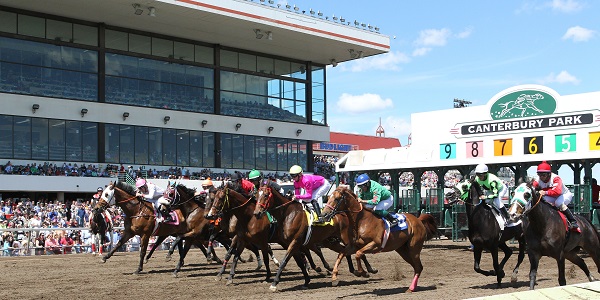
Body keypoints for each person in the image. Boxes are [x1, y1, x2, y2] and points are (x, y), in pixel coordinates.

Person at [533, 161, 580, 233]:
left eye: (543, 175)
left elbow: (557, 192)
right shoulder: (538, 180)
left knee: (558, 202)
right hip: (551, 196)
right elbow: (532, 187)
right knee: (542, 201)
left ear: (549, 174)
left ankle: (573, 221)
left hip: (563, 195)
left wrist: (545, 192)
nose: (541, 177)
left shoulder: (556, 178)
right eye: (540, 175)